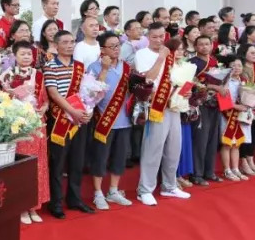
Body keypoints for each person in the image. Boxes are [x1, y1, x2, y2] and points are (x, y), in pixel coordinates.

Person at [135, 24, 189, 204]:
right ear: (148, 37)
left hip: (173, 104)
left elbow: (178, 78)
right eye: (154, 37)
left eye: (161, 37)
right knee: (153, 148)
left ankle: (169, 185)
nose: (159, 40)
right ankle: (145, 189)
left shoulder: (172, 55)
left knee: (174, 147)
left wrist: (185, 92)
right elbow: (148, 78)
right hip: (155, 105)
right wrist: (161, 58)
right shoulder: (142, 54)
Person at [43, 30, 94, 218]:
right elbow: (53, 93)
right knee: (57, 163)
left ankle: (74, 199)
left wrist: (86, 111)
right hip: (60, 120)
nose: (70, 45)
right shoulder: (50, 66)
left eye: (72, 41)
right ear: (56, 46)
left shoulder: (80, 67)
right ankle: (55, 203)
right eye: (65, 42)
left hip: (79, 120)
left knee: (77, 162)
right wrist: (71, 111)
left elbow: (86, 92)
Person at [0, 40, 48, 224]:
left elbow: (45, 100)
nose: (27, 57)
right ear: (15, 56)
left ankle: (33, 206)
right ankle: (20, 208)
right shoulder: (7, 75)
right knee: (21, 165)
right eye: (23, 54)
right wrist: (13, 95)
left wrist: (43, 108)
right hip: (18, 124)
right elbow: (2, 100)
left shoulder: (39, 74)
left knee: (38, 165)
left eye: (29, 54)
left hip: (36, 123)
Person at [86, 32, 133, 210]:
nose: (116, 49)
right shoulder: (94, 67)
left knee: (120, 157)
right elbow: (91, 94)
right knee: (100, 157)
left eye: (118, 46)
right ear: (102, 49)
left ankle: (113, 190)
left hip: (124, 119)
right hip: (104, 119)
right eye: (112, 46)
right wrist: (104, 70)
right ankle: (98, 192)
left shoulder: (126, 67)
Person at [190, 36, 226, 186]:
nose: (204, 47)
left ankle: (209, 171)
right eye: (201, 45)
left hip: (215, 103)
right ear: (195, 47)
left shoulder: (215, 61)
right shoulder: (192, 63)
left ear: (212, 46)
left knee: (213, 139)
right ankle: (197, 174)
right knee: (201, 139)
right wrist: (213, 87)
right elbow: (192, 83)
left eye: (207, 44)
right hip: (200, 103)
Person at [218, 54, 251, 181]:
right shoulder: (225, 81)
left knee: (236, 144)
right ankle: (227, 169)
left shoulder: (243, 81)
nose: (237, 68)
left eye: (239, 65)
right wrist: (236, 106)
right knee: (227, 144)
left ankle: (235, 168)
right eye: (233, 66)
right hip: (227, 115)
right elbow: (223, 100)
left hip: (240, 116)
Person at [237, 44, 255, 177]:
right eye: (252, 52)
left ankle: (250, 159)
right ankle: (243, 162)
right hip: (245, 104)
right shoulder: (240, 68)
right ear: (244, 53)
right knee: (245, 134)